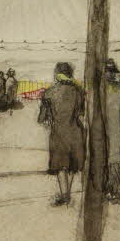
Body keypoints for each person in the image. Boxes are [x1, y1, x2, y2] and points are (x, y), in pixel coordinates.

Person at [38, 61, 85, 206]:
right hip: (76, 131)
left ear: (57, 74)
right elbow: (82, 113)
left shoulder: (49, 92)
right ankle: (67, 194)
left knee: (61, 166)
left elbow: (41, 118)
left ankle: (65, 195)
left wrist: (49, 120)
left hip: (58, 132)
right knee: (72, 165)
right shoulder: (79, 92)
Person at [103, 59, 120, 204]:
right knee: (114, 162)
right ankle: (115, 191)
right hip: (116, 130)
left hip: (102, 130)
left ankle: (110, 190)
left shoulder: (98, 89)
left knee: (106, 162)